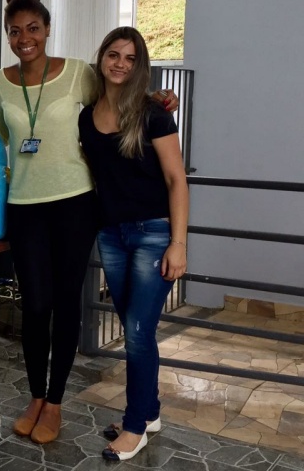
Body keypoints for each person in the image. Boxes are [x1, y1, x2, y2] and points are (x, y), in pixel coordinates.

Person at [0, 0, 178, 445]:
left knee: (64, 303)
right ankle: (35, 396)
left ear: (47, 29)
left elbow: (122, 92)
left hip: (76, 203)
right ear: (8, 34)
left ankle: (55, 402)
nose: (25, 38)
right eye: (15, 31)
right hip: (24, 205)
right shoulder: (1, 82)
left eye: (33, 28)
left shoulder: (78, 72)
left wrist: (159, 98)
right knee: (34, 306)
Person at [78, 26, 188, 461]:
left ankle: (135, 426)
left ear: (139, 65)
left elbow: (177, 180)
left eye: (130, 57)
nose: (120, 63)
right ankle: (150, 411)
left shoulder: (154, 113)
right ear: (101, 58)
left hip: (153, 234)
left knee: (139, 334)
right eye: (113, 54)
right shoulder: (87, 116)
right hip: (112, 234)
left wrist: (178, 243)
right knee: (134, 328)